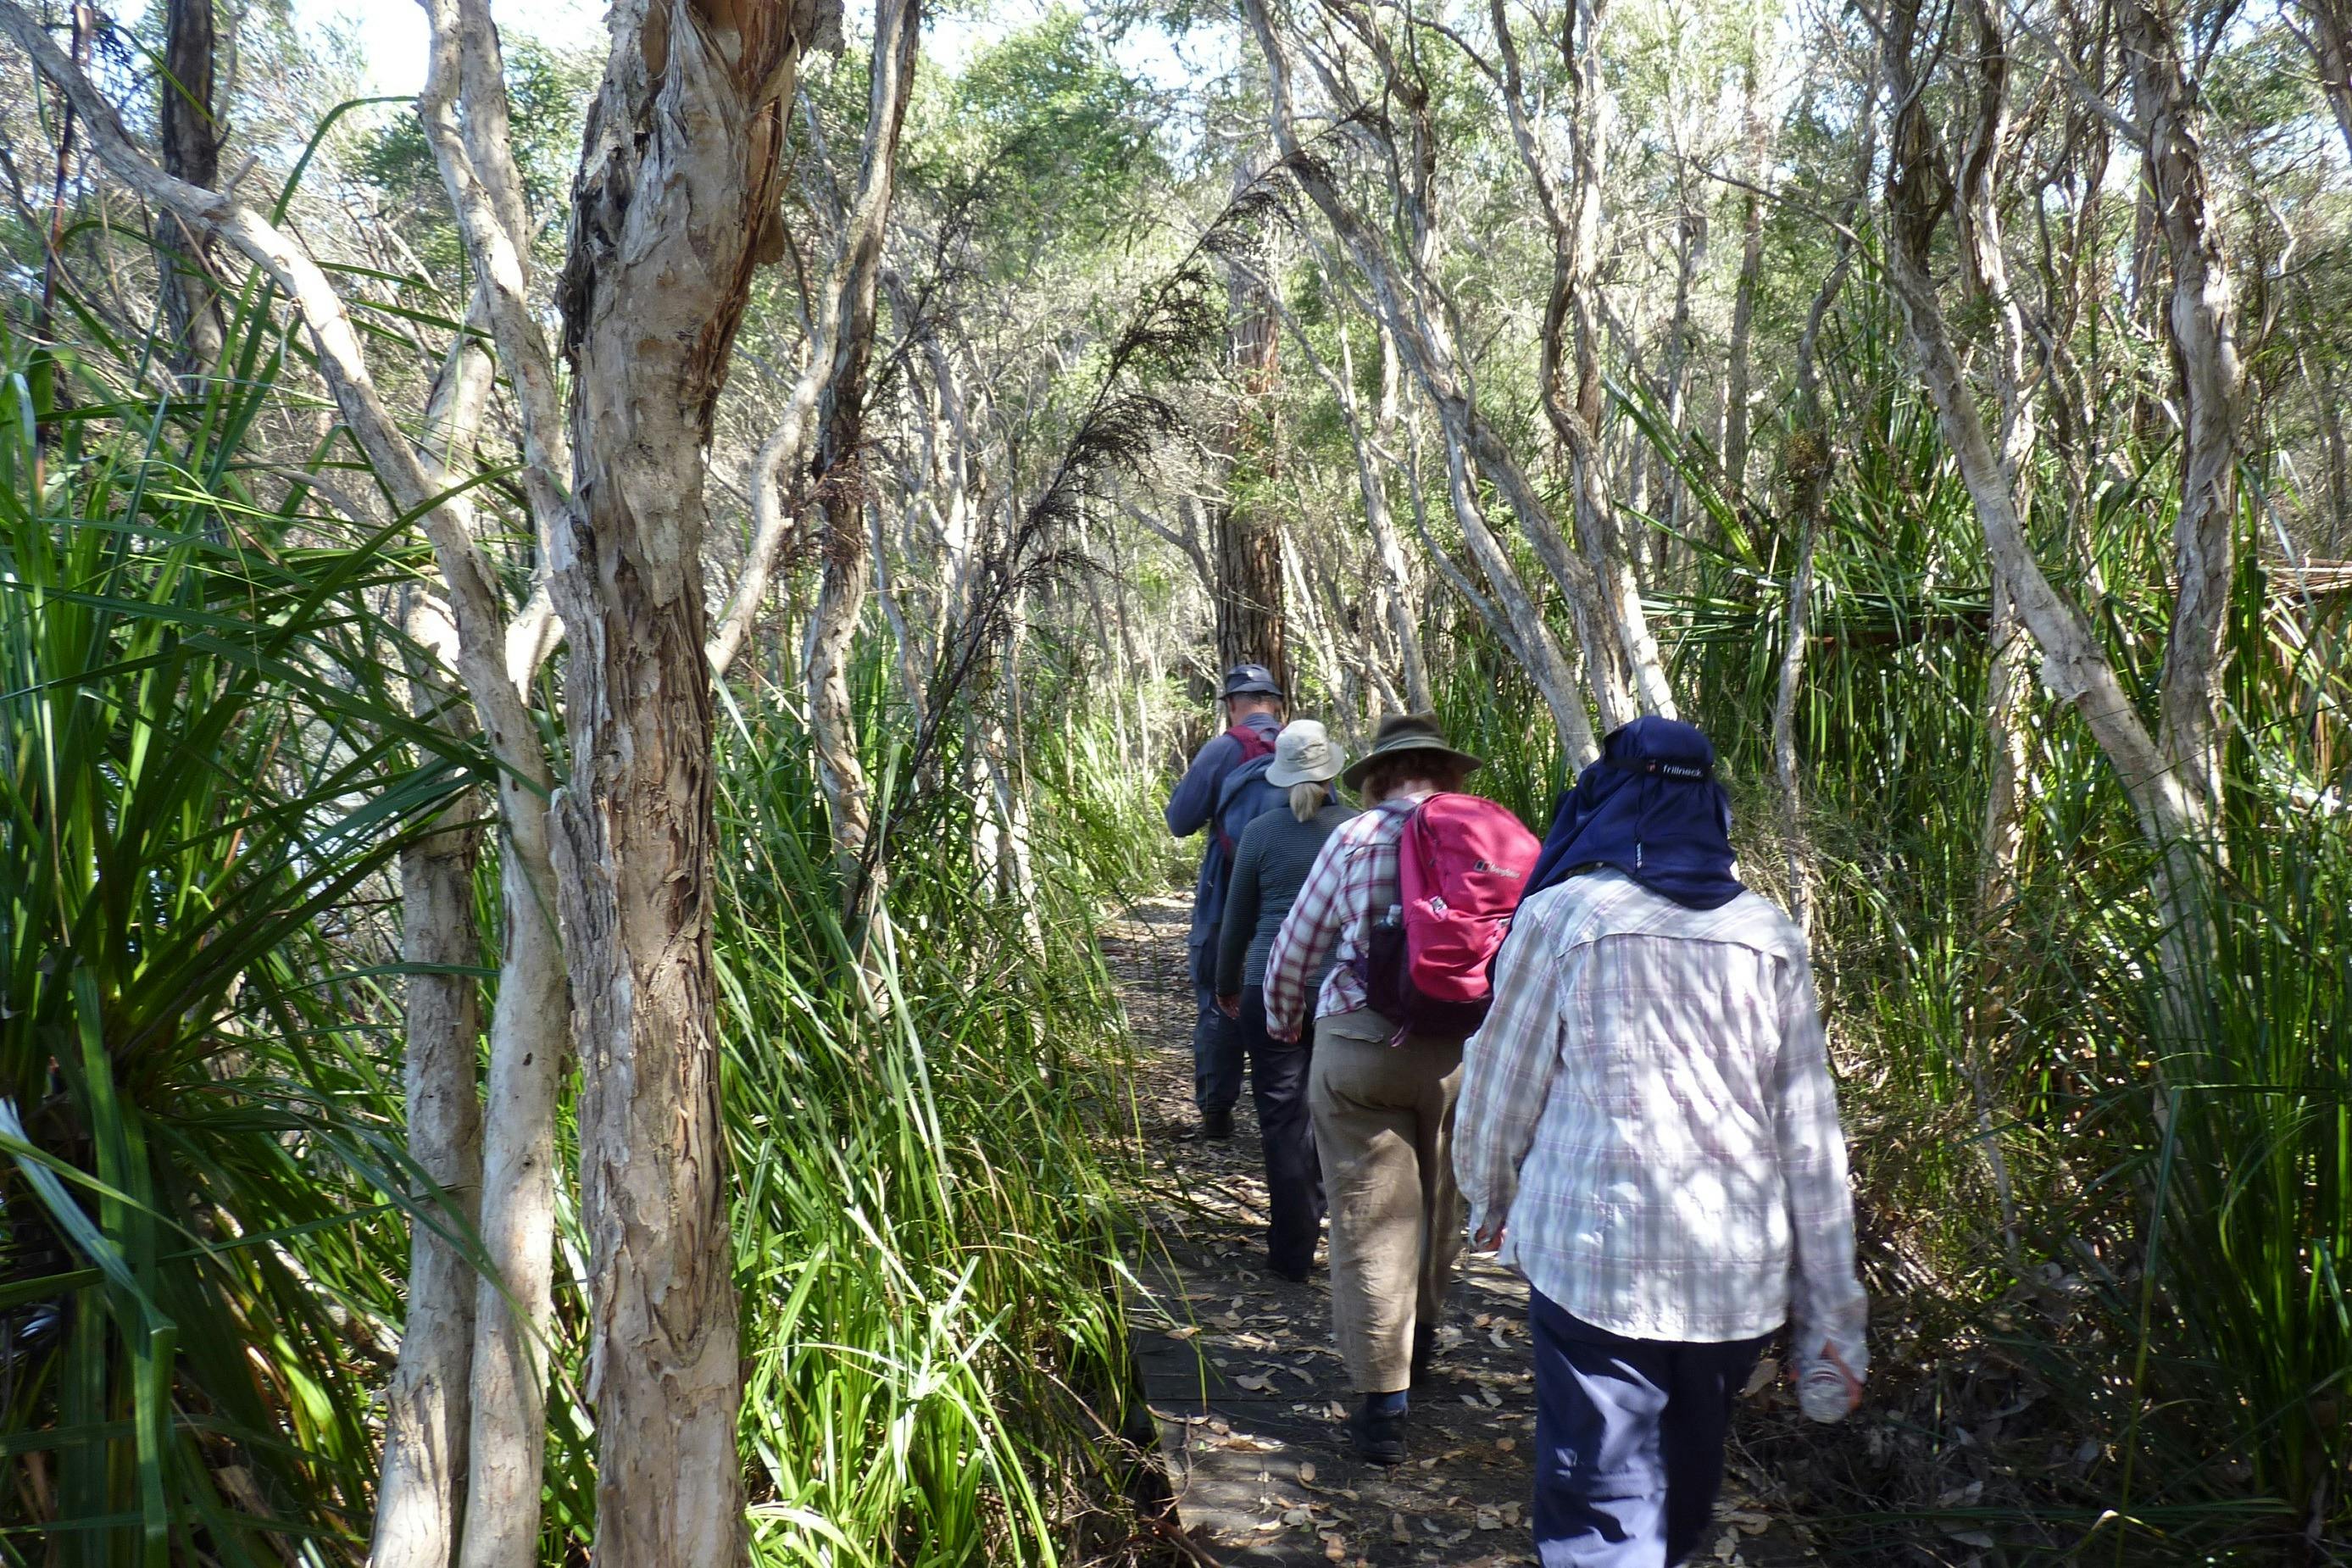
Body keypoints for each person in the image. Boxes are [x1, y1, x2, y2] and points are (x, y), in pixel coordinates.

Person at [1453, 717, 1868, 1568]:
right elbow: (1812, 1140)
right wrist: (1834, 1313)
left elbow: (1500, 1084)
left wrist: (1488, 1197)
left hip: (1596, 1265)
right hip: (1736, 1279)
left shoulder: (1564, 916)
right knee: (1686, 1482)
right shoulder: (1770, 934)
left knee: (1601, 1501)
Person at [1262, 712, 1485, 1465]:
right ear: (1447, 773)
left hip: (1359, 1042)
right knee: (1438, 1202)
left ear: (1379, 777)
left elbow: (1297, 944)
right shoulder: (1488, 836)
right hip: (1460, 1049)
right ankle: (1421, 1340)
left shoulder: (1353, 837)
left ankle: (1381, 1406)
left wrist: (1285, 1021)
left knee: (1366, 1214)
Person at [1215, 720, 1355, 1281]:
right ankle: (1318, 1215)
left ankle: (1290, 1250)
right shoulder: (1356, 830)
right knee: (1331, 1114)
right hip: (1342, 991)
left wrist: (1226, 983)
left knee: (1281, 1118)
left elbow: (1237, 920)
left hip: (1266, 984)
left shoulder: (1259, 832)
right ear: (1331, 771)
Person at [1165, 664, 1286, 1139]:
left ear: (1233, 705)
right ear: (1275, 703)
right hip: (1291, 900)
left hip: (1226, 890)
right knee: (1292, 994)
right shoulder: (1305, 749)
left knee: (1220, 996)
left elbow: (1180, 820)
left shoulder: (1222, 749)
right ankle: (1288, 1119)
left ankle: (1217, 1114)